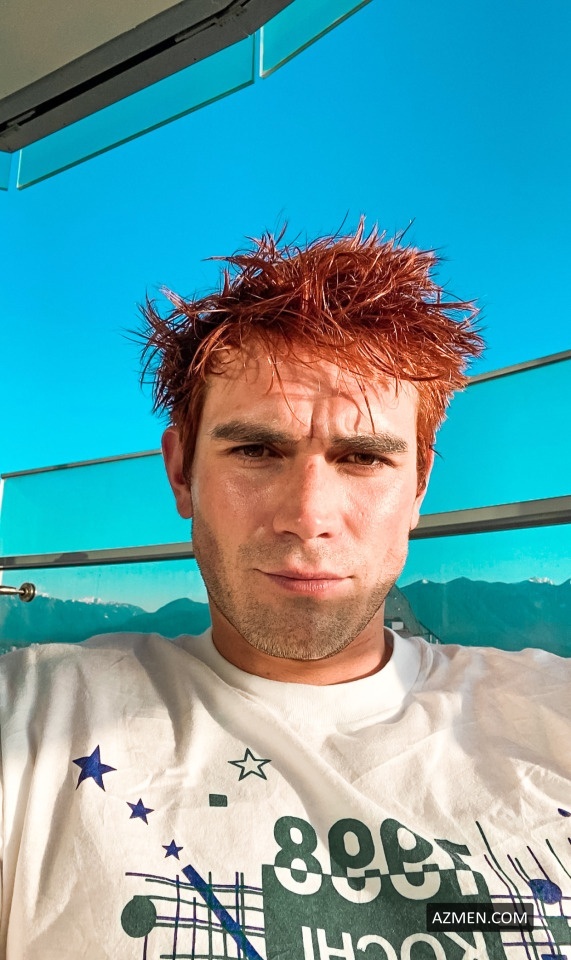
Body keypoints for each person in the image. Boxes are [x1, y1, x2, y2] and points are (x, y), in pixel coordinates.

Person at [0, 224, 569, 960]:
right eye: (256, 450)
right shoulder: (30, 719)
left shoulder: (553, 712)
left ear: (419, 485)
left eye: (363, 458)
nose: (308, 516)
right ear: (181, 472)